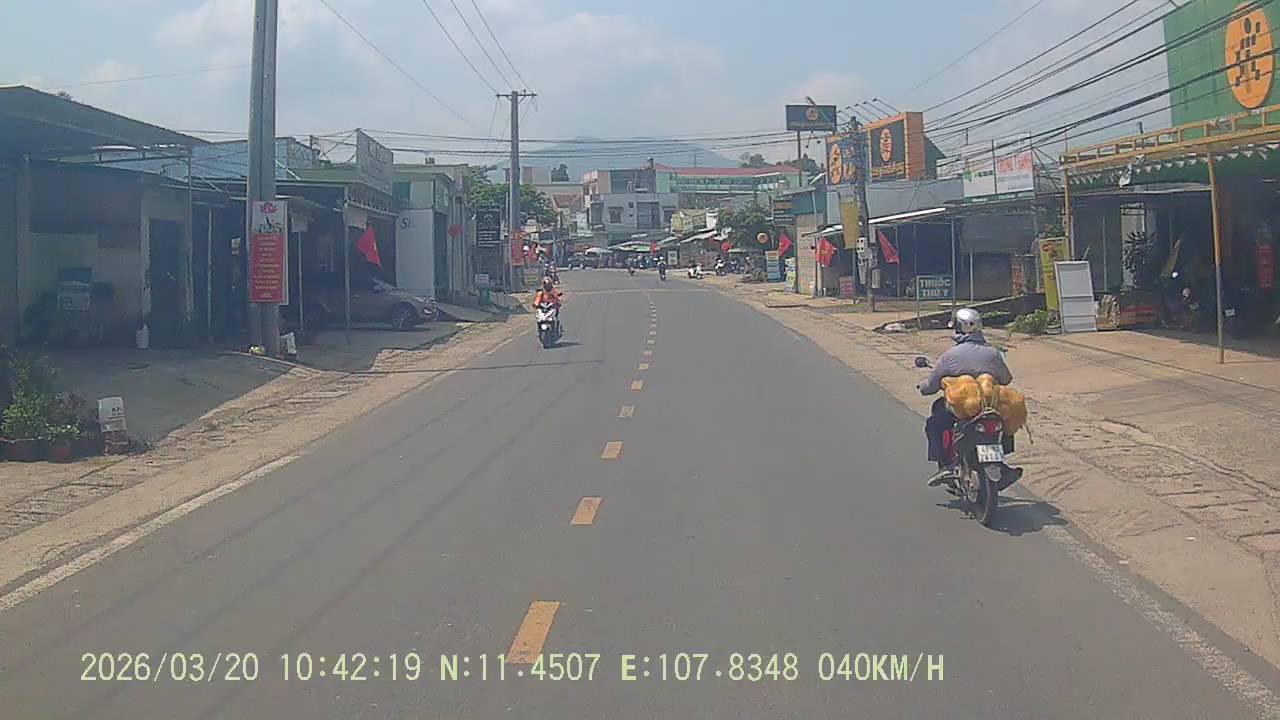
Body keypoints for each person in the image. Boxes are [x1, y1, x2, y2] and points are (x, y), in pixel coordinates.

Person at [917, 307, 1022, 490]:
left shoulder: (950, 356)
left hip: (961, 411)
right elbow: (1006, 379)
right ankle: (1001, 461)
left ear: (958, 328)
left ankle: (946, 464)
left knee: (934, 423)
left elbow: (931, 385)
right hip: (989, 406)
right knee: (1003, 416)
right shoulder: (993, 353)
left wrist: (923, 388)